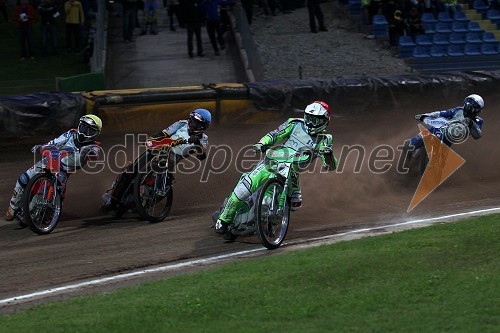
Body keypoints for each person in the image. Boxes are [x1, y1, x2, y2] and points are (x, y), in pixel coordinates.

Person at [214, 101, 337, 238]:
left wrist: (328, 155)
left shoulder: (325, 139)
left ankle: (268, 224)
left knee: (295, 204)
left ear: (325, 121)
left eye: (316, 120)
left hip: (292, 172)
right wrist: (261, 144)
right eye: (309, 118)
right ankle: (224, 219)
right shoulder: (295, 123)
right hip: (273, 161)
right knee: (244, 187)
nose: (311, 123)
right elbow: (275, 134)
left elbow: (331, 166)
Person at [101, 109, 212, 212]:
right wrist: (151, 139)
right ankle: (113, 200)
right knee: (130, 170)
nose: (193, 125)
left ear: (203, 126)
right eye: (192, 121)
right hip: (159, 149)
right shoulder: (181, 123)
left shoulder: (204, 138)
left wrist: (197, 143)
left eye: (197, 123)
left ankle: (146, 202)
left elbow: (202, 156)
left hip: (173, 158)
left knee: (168, 183)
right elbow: (164, 133)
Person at [5, 115, 103, 221]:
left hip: (63, 172)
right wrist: (43, 146)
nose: (84, 133)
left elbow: (94, 155)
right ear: (79, 126)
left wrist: (86, 153)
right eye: (83, 128)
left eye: (89, 131)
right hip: (50, 160)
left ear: (95, 134)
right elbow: (55, 142)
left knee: (57, 197)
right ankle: (13, 207)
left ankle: (48, 210)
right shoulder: (71, 134)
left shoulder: (94, 146)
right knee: (23, 179)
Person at [404, 94, 484, 152]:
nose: (478, 111)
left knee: (435, 162)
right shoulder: (457, 110)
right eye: (476, 108)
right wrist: (424, 115)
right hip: (434, 130)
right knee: (409, 145)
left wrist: (471, 124)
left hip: (446, 140)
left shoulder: (478, 120)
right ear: (470, 106)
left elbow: (478, 135)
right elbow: (440, 113)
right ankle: (404, 161)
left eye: (478, 109)